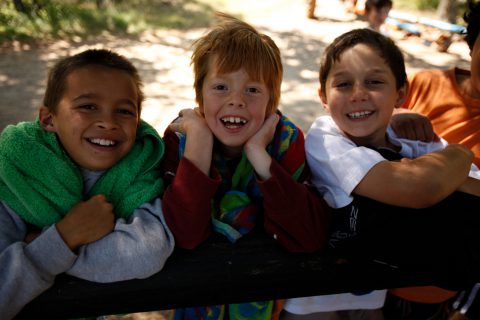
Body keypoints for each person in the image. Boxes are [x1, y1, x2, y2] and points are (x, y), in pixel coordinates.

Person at [281, 28, 480, 320]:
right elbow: (419, 187)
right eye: (344, 84)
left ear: (401, 93)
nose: (359, 94)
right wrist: (459, 156)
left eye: (374, 82)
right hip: (315, 300)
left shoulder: (413, 140)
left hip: (373, 296)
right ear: (323, 96)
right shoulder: (324, 140)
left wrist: (439, 172)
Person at [160, 12, 331, 320]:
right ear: (199, 96)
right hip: (196, 299)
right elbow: (184, 235)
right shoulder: (181, 138)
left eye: (252, 90)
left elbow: (306, 236)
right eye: (221, 87)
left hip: (261, 295)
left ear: (271, 102)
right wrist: (199, 141)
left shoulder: (285, 141)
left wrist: (259, 155)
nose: (236, 101)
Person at [0, 49, 175, 319]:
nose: (108, 122)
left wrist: (46, 247)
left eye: (125, 111)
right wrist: (66, 236)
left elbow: (148, 251)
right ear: (48, 119)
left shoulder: (140, 169)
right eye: (88, 106)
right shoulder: (15, 173)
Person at [385, 0, 480, 317]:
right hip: (363, 276)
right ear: (472, 43)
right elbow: (349, 126)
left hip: (434, 291)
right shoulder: (424, 83)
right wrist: (391, 118)